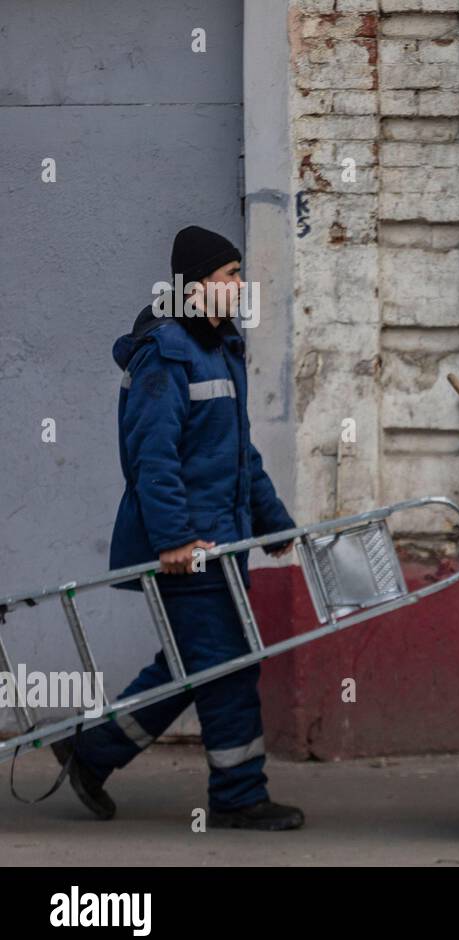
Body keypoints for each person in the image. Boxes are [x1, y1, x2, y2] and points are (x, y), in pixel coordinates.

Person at [53, 226, 304, 831]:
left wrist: (273, 522)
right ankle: (239, 795)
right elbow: (152, 456)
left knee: (189, 667)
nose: (241, 287)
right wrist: (171, 540)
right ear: (195, 287)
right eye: (230, 276)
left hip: (224, 541)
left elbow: (238, 454)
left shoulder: (219, 349)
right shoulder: (166, 352)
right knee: (228, 665)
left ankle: (91, 754)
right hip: (190, 547)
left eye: (241, 274)